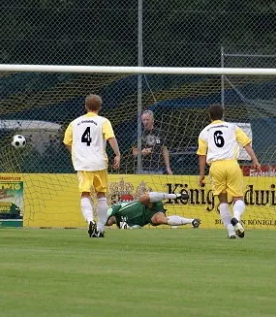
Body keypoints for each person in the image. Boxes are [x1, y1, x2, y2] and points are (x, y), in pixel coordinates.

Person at [196, 104, 261, 239]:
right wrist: (255, 160)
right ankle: (236, 217)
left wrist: (201, 175)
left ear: (209, 116)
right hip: (232, 164)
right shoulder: (232, 127)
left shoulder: (205, 131)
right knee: (238, 197)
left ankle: (231, 232)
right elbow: (246, 144)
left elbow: (202, 155)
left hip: (216, 166)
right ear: (223, 115)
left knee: (223, 201)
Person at [63, 94, 121, 238]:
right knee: (101, 194)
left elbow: (66, 141)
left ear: (86, 106)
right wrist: (117, 154)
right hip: (99, 163)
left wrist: (75, 153)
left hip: (82, 164)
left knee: (85, 194)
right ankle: (100, 228)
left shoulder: (75, 123)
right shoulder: (103, 121)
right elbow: (111, 138)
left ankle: (90, 222)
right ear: (100, 107)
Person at [106, 191, 201, 229]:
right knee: (160, 220)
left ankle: (175, 196)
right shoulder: (121, 225)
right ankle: (192, 221)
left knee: (143, 198)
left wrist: (101, 221)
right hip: (149, 216)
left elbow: (111, 210)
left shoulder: (117, 209)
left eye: (106, 221)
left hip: (147, 204)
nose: (108, 223)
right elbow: (136, 227)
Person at [132, 110, 172, 174]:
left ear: (153, 120)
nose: (145, 122)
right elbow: (134, 152)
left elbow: (164, 150)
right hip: (142, 169)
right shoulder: (138, 134)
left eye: (147, 119)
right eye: (143, 120)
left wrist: (168, 167)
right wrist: (142, 152)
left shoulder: (160, 133)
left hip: (157, 169)